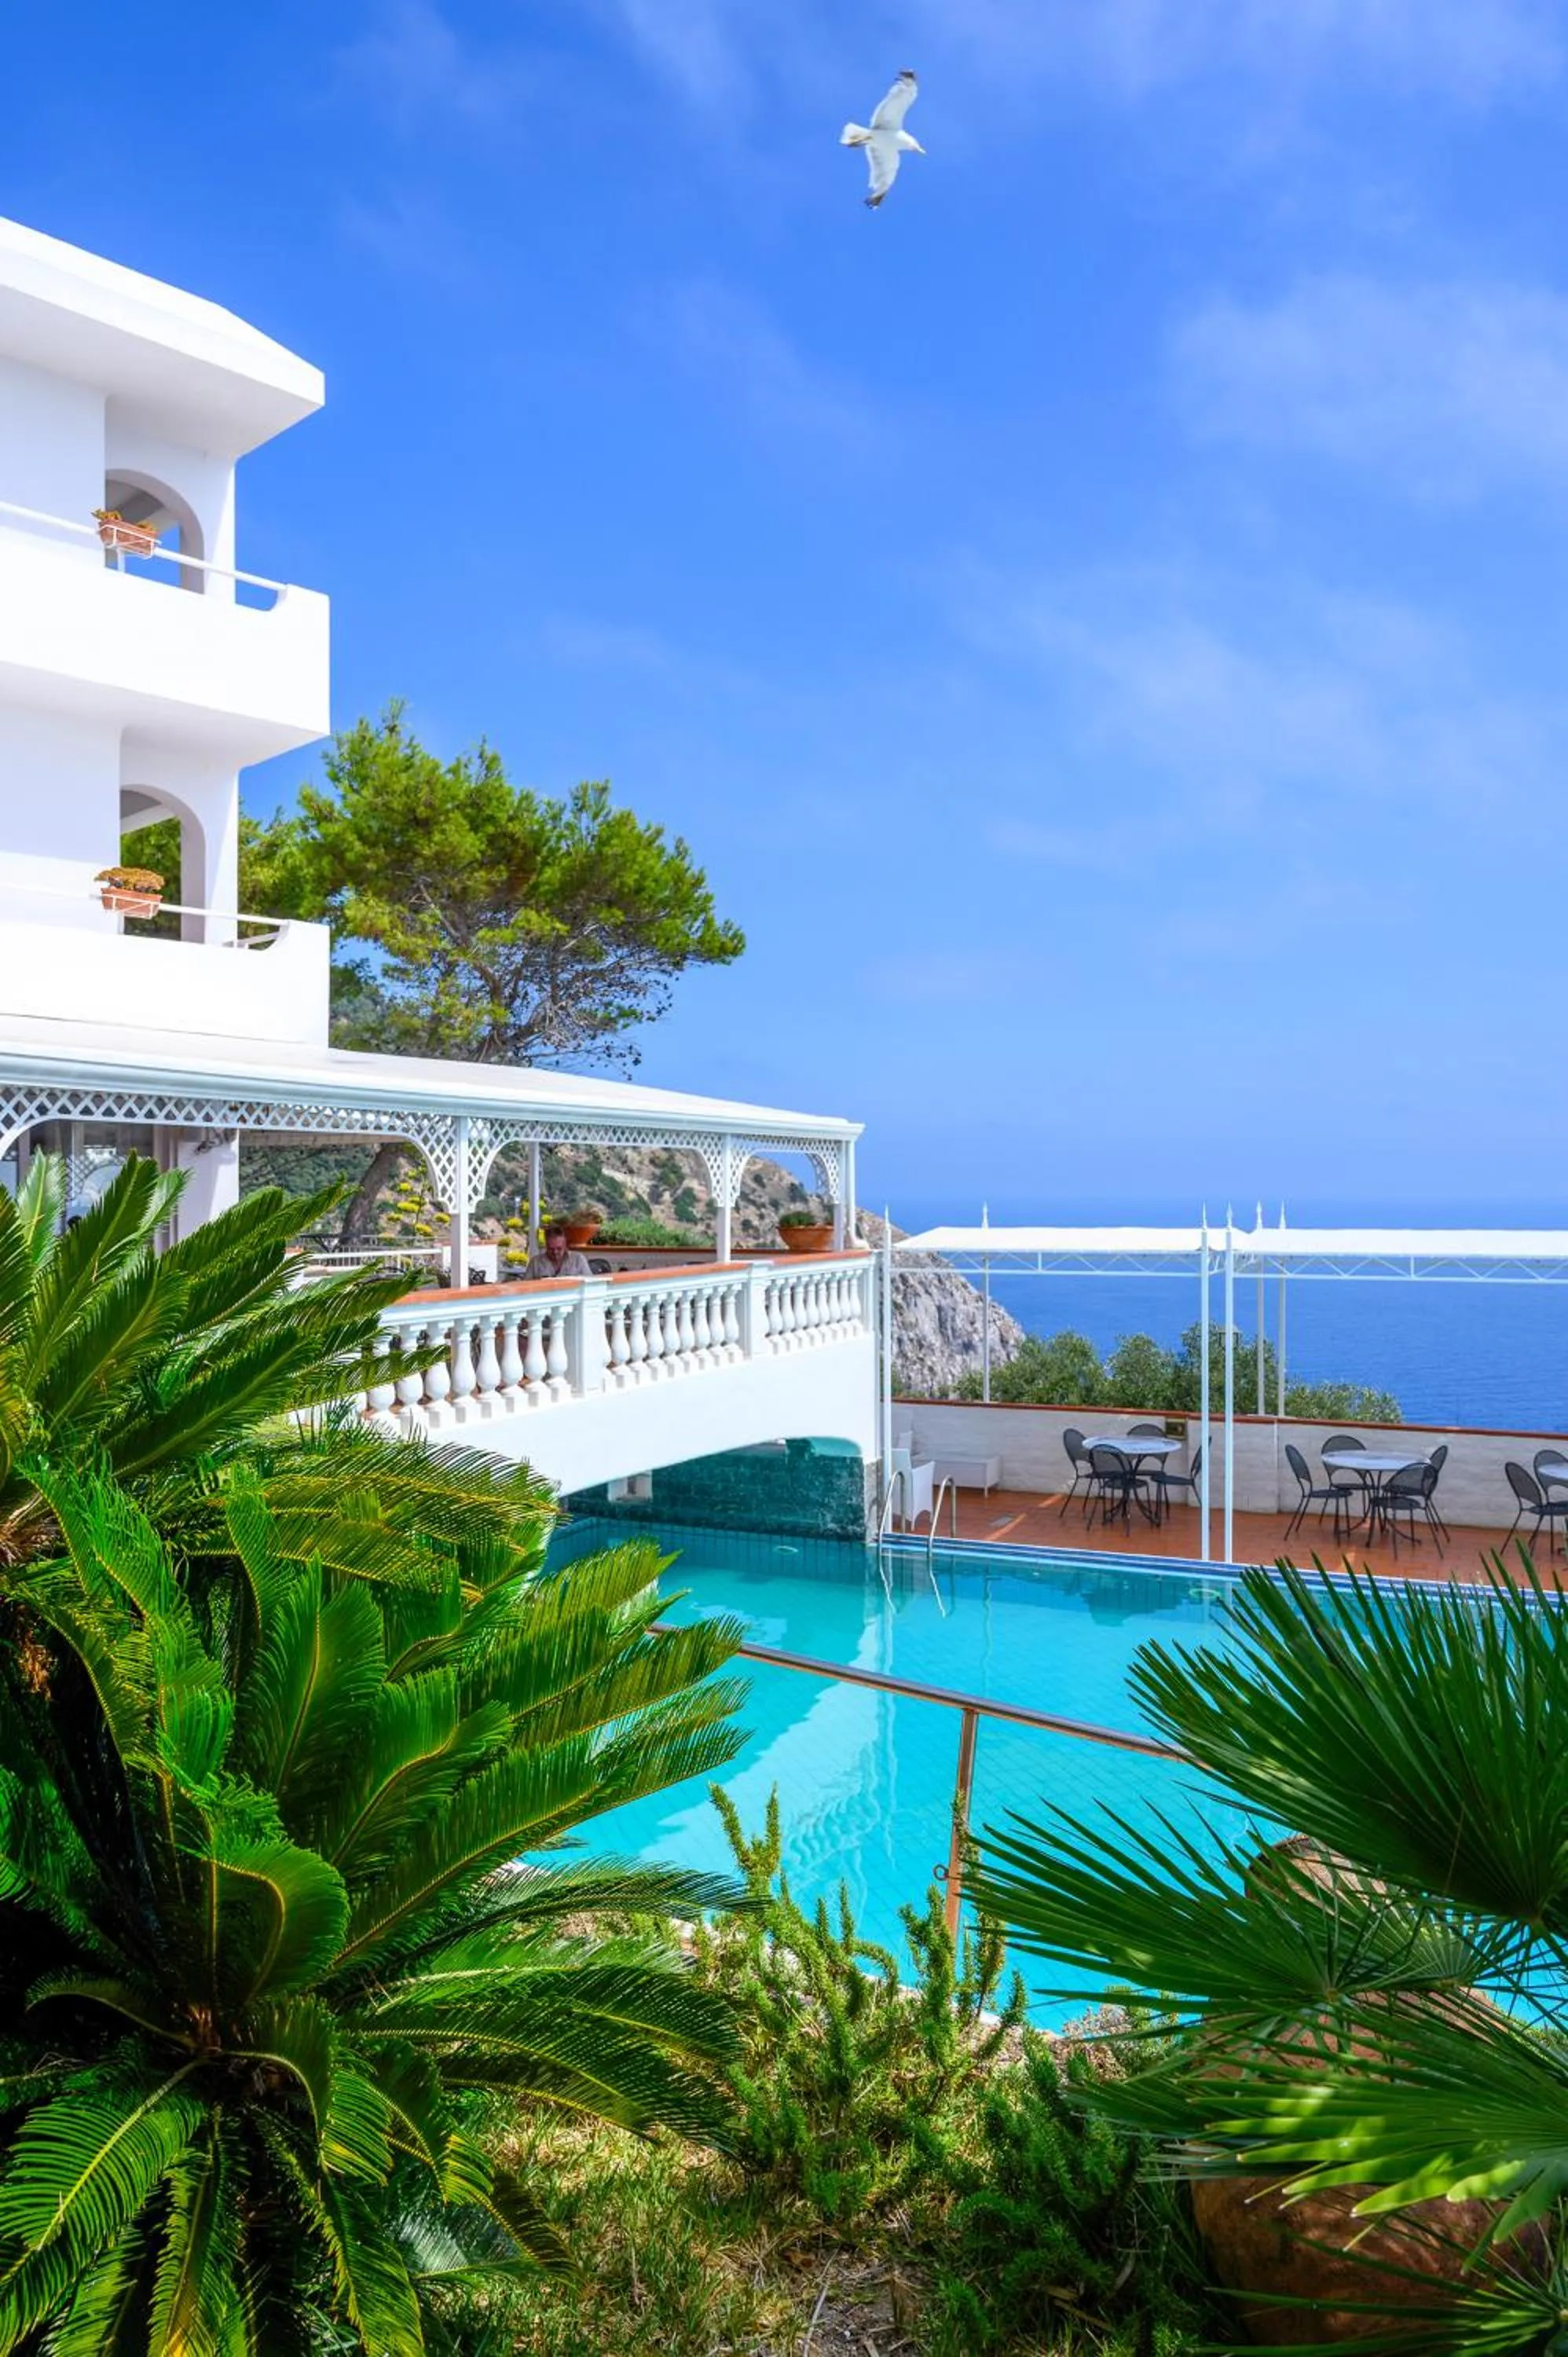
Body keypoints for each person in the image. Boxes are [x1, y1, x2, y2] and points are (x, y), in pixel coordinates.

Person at [522, 1220, 591, 1281]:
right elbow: (525, 1286)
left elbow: (590, 1284)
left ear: (565, 1245)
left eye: (559, 1248)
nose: (555, 1252)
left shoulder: (578, 1260)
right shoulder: (535, 1263)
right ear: (546, 1245)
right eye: (551, 1249)